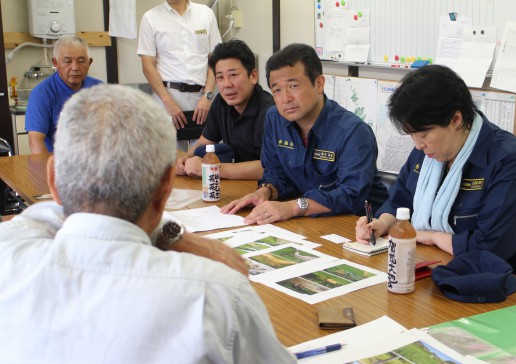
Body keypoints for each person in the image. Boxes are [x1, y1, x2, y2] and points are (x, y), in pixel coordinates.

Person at [0, 84, 296, 363]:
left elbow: (46, 215)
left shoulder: (9, 251)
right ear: (166, 186)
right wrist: (181, 238)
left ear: (53, 181)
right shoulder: (214, 292)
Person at [355, 65, 516, 283]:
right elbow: (401, 198)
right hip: (444, 265)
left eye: (423, 134)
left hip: (513, 280)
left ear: (456, 119)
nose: (418, 145)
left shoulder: (508, 161)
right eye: (412, 135)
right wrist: (380, 224)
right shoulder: (428, 152)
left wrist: (432, 237)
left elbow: (490, 248)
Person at [222, 43, 388, 224]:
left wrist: (293, 207)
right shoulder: (274, 119)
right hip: (309, 220)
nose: (285, 98)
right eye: (277, 90)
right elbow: (275, 172)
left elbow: (350, 196)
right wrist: (265, 191)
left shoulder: (353, 132)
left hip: (359, 225)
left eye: (293, 86)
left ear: (319, 84)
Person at [176, 39, 274, 180]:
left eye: (233, 75)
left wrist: (212, 168)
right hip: (235, 184)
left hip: (265, 188)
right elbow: (204, 143)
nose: (226, 84)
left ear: (253, 76)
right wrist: (185, 158)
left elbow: (271, 166)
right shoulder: (221, 103)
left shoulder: (271, 112)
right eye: (220, 77)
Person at [138, 0, 221, 139]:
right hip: (167, 98)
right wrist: (167, 101)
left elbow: (216, 59)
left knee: (203, 154)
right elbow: (147, 65)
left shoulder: (206, 14)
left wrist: (208, 96)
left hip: (201, 98)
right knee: (171, 157)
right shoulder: (150, 18)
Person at [25, 35, 103, 153]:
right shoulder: (41, 94)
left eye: (81, 61)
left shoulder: (99, 89)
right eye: (67, 61)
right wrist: (50, 169)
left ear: (89, 62)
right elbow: (35, 142)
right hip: (59, 163)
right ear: (55, 63)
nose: (75, 67)